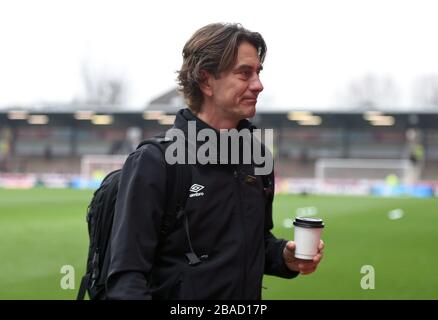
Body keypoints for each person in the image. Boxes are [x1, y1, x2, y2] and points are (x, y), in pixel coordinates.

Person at [106, 22, 324, 300]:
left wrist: (284, 257)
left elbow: (253, 243)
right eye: (244, 74)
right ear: (206, 80)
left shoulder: (258, 159)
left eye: (258, 72)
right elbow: (126, 279)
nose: (258, 85)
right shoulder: (155, 161)